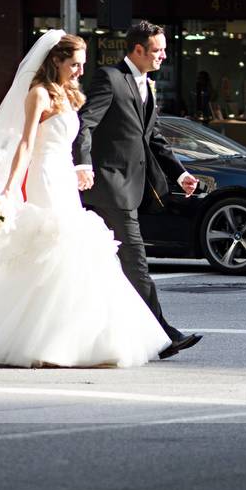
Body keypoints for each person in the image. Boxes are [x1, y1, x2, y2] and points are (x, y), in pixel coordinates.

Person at [0, 32, 170, 367]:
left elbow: (72, 140)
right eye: (74, 64)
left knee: (75, 252)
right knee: (51, 246)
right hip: (45, 178)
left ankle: (81, 339)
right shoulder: (38, 94)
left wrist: (78, 168)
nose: (79, 71)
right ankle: (41, 341)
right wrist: (9, 188)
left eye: (83, 64)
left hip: (64, 178)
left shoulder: (69, 94)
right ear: (56, 60)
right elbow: (25, 145)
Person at [73, 21, 203, 360]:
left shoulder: (149, 85)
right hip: (110, 185)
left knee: (110, 263)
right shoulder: (109, 78)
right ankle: (163, 333)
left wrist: (180, 175)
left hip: (134, 185)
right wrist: (82, 164)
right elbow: (85, 123)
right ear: (138, 50)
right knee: (135, 259)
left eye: (163, 49)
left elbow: (153, 138)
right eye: (157, 50)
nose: (163, 55)